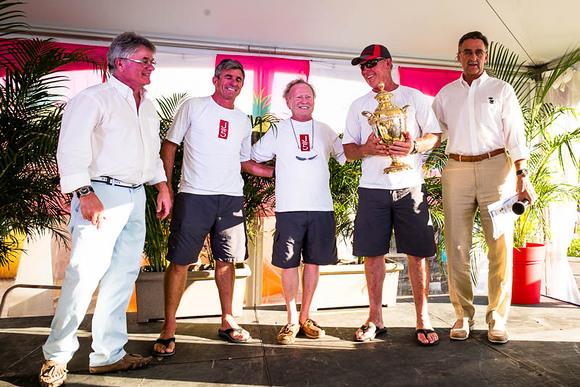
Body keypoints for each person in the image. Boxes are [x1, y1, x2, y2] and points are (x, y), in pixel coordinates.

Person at [39, 32, 172, 387]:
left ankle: (108, 355)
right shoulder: (93, 99)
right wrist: (84, 192)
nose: (150, 68)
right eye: (144, 60)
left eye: (151, 61)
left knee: (122, 277)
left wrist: (161, 185)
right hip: (100, 195)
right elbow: (70, 149)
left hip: (135, 196)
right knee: (83, 275)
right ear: (119, 62)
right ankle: (56, 356)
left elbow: (152, 152)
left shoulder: (150, 104)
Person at [153, 59, 272, 356]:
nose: (233, 82)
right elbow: (169, 145)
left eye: (239, 79)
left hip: (230, 197)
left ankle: (227, 320)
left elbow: (245, 162)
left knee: (227, 261)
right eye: (228, 76)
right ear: (216, 79)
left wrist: (278, 172)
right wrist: (165, 188)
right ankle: (169, 326)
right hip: (194, 195)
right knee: (181, 261)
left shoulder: (244, 120)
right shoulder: (194, 107)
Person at [432, 31, 536, 344]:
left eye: (478, 52)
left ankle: (497, 319)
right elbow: (434, 132)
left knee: (500, 246)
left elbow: (515, 135)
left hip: (497, 169)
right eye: (467, 52)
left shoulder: (501, 90)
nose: (473, 57)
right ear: (458, 56)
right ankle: (462, 315)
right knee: (457, 247)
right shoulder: (445, 94)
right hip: (457, 168)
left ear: (486, 56)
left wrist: (523, 174)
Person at [343, 44, 442, 345]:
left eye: (371, 63)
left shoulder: (413, 97)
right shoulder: (357, 104)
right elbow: (348, 151)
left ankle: (422, 318)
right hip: (372, 189)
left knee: (418, 254)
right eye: (362, 66)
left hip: (409, 185)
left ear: (388, 63)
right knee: (372, 255)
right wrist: (366, 149)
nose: (366, 70)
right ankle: (375, 318)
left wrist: (413, 147)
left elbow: (434, 137)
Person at [251, 79, 346, 344]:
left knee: (314, 263)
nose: (303, 100)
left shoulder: (326, 130)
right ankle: (291, 319)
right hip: (289, 208)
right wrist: (271, 172)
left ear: (314, 100)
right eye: (298, 97)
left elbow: (345, 155)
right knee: (289, 263)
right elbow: (253, 157)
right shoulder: (278, 130)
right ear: (288, 101)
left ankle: (306, 317)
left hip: (321, 208)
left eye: (308, 96)